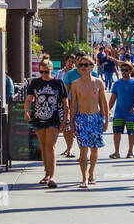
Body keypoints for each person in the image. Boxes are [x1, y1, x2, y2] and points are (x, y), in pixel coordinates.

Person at [25, 58, 68, 188]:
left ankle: (52, 176)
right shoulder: (35, 83)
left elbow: (66, 104)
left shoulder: (58, 83)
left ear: (52, 70)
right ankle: (47, 174)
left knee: (50, 146)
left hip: (54, 118)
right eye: (42, 72)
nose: (44, 75)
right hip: (38, 118)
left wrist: (64, 120)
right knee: (43, 147)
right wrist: (26, 111)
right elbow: (28, 99)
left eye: (46, 72)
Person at [69, 55, 109, 188]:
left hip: (95, 117)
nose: (84, 68)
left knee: (94, 150)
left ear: (92, 66)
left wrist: (106, 121)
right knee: (83, 150)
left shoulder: (98, 83)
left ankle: (91, 172)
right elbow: (73, 105)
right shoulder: (75, 84)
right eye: (81, 65)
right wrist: (72, 123)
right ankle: (84, 177)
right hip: (81, 118)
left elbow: (104, 103)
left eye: (86, 65)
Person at [109, 60, 134, 159]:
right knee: (116, 132)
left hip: (130, 114)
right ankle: (116, 152)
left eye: (126, 70)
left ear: (130, 71)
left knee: (131, 132)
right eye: (122, 70)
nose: (124, 72)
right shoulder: (117, 84)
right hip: (118, 113)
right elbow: (112, 98)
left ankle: (130, 152)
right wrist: (107, 110)